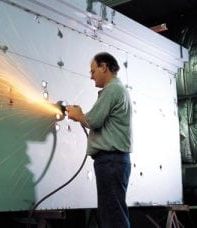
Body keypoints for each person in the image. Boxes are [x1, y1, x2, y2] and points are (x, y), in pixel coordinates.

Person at [66, 52, 132, 228]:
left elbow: (93, 121)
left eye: (93, 71)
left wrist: (79, 116)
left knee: (112, 215)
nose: (91, 76)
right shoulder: (117, 89)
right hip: (114, 161)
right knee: (113, 212)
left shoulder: (112, 89)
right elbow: (95, 119)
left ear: (104, 67)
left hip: (110, 161)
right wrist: (80, 115)